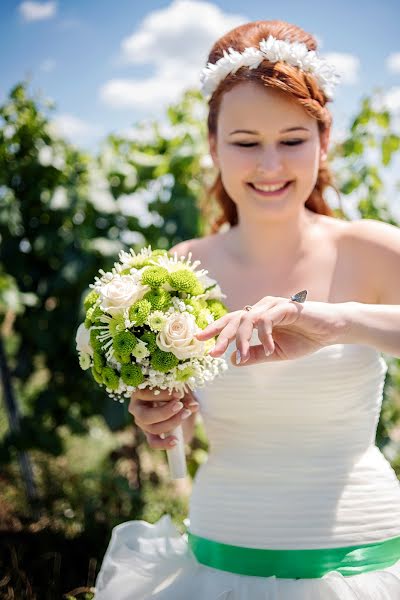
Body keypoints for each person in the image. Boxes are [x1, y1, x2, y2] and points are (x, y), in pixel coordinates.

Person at [93, 19, 400, 599]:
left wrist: (342, 321)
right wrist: (162, 410)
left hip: (363, 564)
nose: (269, 166)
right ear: (212, 145)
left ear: (323, 139)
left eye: (292, 140)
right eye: (244, 142)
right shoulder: (176, 273)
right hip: (219, 557)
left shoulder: (370, 247)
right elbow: (177, 410)